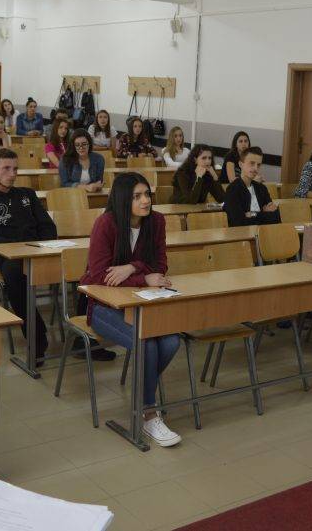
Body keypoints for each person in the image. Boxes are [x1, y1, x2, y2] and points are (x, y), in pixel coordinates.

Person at [82, 172, 181, 447]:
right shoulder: (106, 224)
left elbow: (160, 265)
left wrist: (132, 267)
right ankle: (148, 413)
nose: (145, 201)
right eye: (137, 196)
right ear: (124, 199)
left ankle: (142, 395)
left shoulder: (157, 222)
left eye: (147, 194)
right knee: (146, 344)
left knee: (172, 342)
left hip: (142, 302)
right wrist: (143, 275)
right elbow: (99, 275)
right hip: (103, 305)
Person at [0, 148, 57, 365]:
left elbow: (48, 227)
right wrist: (18, 248)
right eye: (6, 168)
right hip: (4, 257)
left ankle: (85, 337)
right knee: (14, 274)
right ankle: (37, 338)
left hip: (35, 251)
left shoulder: (27, 195)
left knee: (80, 264)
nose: (12, 173)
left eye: (15, 169)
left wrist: (38, 246)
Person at [224, 147, 280, 226]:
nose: (255, 168)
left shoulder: (261, 188)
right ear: (241, 164)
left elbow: (276, 217)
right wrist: (263, 213)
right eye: (252, 163)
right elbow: (238, 222)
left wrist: (253, 214)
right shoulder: (232, 189)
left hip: (263, 233)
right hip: (242, 236)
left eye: (258, 165)